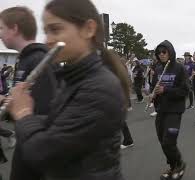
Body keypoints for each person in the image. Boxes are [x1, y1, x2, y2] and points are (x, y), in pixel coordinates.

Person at [6, 0, 130, 179]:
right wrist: (18, 106)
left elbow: (44, 153)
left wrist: (24, 113)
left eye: (55, 30)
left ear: (88, 29)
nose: (47, 40)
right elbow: (60, 121)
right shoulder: (73, 77)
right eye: (46, 31)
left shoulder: (100, 88)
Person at [0, 6, 59, 180]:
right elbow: (25, 102)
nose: (0, 34)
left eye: (1, 28)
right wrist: (6, 101)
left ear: (15, 28)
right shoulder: (26, 59)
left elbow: (45, 112)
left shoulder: (38, 60)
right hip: (26, 142)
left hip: (35, 150)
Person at [151, 40, 188, 180]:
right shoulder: (159, 69)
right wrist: (153, 95)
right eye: (159, 52)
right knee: (162, 141)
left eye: (164, 52)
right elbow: (155, 87)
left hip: (175, 111)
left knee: (169, 141)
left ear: (170, 52)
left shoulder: (179, 68)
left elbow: (185, 90)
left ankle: (179, 163)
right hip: (161, 110)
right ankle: (173, 167)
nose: (161, 54)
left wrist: (165, 89)